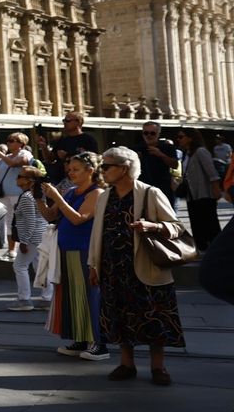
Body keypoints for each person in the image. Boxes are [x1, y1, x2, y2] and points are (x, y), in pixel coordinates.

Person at [91, 147, 186, 386]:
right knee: (119, 316)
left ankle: (158, 367)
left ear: (124, 168)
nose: (102, 170)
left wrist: (153, 227)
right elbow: (97, 234)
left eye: (106, 166)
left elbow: (176, 226)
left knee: (154, 317)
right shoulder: (104, 196)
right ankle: (126, 363)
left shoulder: (150, 193)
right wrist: (93, 264)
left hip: (145, 266)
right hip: (113, 268)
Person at [38, 152, 107, 362]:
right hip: (65, 250)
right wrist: (38, 197)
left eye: (76, 169)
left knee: (90, 296)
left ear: (90, 171)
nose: (71, 173)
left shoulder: (97, 193)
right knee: (72, 297)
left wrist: (57, 197)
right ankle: (80, 338)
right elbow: (51, 215)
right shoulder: (69, 191)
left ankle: (99, 342)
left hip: (85, 251)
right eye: (70, 169)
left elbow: (78, 219)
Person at [6, 161, 53, 311]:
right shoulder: (37, 195)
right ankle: (47, 298)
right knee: (40, 266)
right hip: (42, 234)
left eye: (20, 176)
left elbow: (30, 220)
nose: (16, 179)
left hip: (33, 237)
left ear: (29, 180)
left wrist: (24, 241)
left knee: (19, 265)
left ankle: (24, 299)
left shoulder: (27, 197)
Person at [176, 129, 220, 250]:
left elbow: (211, 172)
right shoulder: (187, 153)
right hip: (192, 195)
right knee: (196, 224)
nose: (178, 139)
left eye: (181, 137)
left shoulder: (201, 151)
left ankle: (216, 250)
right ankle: (201, 249)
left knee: (210, 224)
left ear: (190, 138)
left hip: (204, 194)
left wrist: (216, 189)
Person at [0, 133, 34, 242]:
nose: (8, 143)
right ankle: (11, 249)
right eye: (8, 140)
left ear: (21, 143)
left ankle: (23, 244)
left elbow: (14, 164)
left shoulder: (25, 153)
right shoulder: (7, 156)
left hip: (17, 193)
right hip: (4, 194)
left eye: (12, 140)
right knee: (8, 222)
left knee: (19, 221)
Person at [39, 112, 101, 190]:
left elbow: (93, 161)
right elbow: (50, 159)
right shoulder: (62, 140)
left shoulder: (88, 140)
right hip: (61, 179)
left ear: (78, 122)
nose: (64, 123)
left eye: (67, 120)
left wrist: (67, 156)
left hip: (78, 181)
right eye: (63, 120)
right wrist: (44, 147)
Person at [136, 122, 180, 207]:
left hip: (163, 188)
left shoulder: (168, 147)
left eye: (152, 133)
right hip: (143, 188)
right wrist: (136, 159)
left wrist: (161, 154)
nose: (149, 136)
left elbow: (175, 165)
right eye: (146, 133)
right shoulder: (137, 148)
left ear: (158, 134)